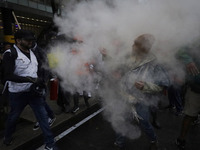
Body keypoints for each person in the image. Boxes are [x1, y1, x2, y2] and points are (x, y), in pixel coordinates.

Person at [2, 30, 58, 150]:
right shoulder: (10, 54)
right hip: (18, 94)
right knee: (13, 117)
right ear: (18, 41)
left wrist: (42, 80)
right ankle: (7, 137)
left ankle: (50, 144)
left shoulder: (33, 51)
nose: (31, 42)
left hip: (34, 92)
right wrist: (30, 79)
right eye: (28, 40)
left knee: (43, 118)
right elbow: (7, 75)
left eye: (32, 40)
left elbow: (43, 63)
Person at [114, 34, 169, 150]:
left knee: (144, 122)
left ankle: (153, 140)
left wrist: (146, 86)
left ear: (143, 48)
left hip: (141, 99)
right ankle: (119, 143)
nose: (132, 46)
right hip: (124, 95)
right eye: (133, 43)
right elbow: (117, 67)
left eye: (135, 44)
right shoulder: (128, 57)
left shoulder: (154, 63)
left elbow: (161, 85)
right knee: (122, 120)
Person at [176, 40, 200, 150]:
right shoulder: (196, 39)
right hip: (196, 87)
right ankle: (181, 139)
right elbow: (180, 50)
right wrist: (188, 61)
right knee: (190, 115)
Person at [31, 41, 56, 131]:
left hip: (40, 81)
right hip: (33, 80)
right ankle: (42, 118)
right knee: (37, 103)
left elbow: (47, 66)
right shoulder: (27, 51)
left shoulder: (41, 51)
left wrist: (45, 80)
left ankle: (48, 117)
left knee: (40, 102)